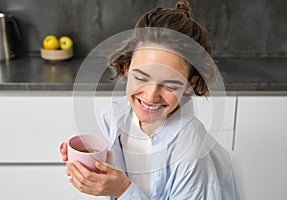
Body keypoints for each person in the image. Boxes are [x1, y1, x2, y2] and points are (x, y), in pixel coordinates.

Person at [60, 0, 240, 199]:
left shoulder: (192, 154)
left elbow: (125, 189)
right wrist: (94, 165)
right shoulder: (113, 116)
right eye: (141, 78)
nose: (151, 96)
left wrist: (121, 191)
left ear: (190, 83)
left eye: (170, 85)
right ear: (127, 66)